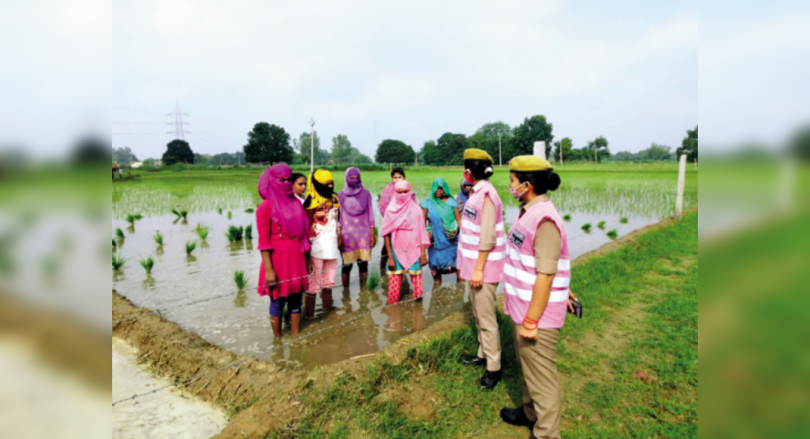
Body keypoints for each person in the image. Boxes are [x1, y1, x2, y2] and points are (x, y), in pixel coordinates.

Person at [499, 155, 577, 439]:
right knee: (528, 368)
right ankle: (529, 412)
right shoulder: (529, 211)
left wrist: (531, 320)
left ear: (527, 185)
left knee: (542, 380)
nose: (510, 185)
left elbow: (546, 274)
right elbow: (541, 263)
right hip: (524, 309)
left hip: (537, 317)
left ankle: (545, 433)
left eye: (512, 181)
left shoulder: (544, 219)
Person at [457, 148, 507, 390]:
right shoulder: (477, 193)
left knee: (486, 319)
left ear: (468, 172)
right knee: (478, 314)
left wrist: (477, 270)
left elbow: (487, 238)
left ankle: (494, 368)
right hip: (476, 267)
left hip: (484, 269)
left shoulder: (486, 195)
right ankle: (483, 354)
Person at [255, 164, 310, 337]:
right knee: (277, 300)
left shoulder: (296, 203)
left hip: (297, 258)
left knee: (296, 297)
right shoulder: (266, 207)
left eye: (288, 179)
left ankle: (296, 335)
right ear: (272, 180)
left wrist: (308, 260)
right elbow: (264, 242)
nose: (286, 183)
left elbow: (304, 234)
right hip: (277, 261)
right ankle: (277, 340)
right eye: (282, 180)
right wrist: (269, 271)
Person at [380, 180, 429, 304]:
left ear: (410, 191)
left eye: (405, 192)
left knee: (417, 284)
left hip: (414, 248)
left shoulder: (416, 210)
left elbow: (422, 231)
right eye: (399, 192)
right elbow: (386, 235)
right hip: (396, 249)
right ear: (395, 193)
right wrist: (390, 257)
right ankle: (394, 315)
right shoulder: (390, 210)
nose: (402, 195)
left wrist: (423, 254)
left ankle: (418, 313)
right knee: (394, 285)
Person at [303, 169, 341, 319]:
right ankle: (310, 318)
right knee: (312, 287)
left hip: (331, 249)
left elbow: (337, 221)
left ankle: (327, 316)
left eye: (332, 183)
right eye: (326, 184)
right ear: (317, 184)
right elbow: (305, 227)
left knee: (328, 283)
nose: (330, 186)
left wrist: (340, 238)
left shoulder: (334, 199)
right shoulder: (310, 202)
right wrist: (307, 255)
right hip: (315, 249)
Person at [337, 167, 376, 288]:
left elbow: (371, 215)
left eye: (357, 178)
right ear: (346, 178)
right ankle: (346, 293)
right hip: (347, 234)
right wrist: (339, 236)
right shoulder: (341, 195)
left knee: (363, 264)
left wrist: (373, 234)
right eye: (351, 178)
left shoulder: (366, 194)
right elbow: (339, 218)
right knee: (346, 265)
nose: (355, 180)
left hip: (364, 233)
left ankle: (363, 291)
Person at [420, 177, 461, 285]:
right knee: (436, 268)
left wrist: (464, 237)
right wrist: (422, 249)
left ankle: (460, 292)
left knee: (458, 268)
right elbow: (421, 224)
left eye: (441, 188)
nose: (439, 190)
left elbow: (458, 219)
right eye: (436, 188)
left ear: (445, 189)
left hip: (452, 240)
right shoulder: (427, 203)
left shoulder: (452, 202)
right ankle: (437, 292)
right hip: (435, 240)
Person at [378, 167, 406, 272]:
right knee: (386, 248)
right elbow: (382, 207)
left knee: (403, 249)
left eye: (400, 177)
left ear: (404, 178)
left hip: (405, 226)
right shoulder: (388, 191)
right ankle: (382, 271)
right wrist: (393, 221)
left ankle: (402, 270)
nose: (397, 179)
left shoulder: (407, 189)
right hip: (391, 224)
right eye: (395, 177)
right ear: (392, 179)